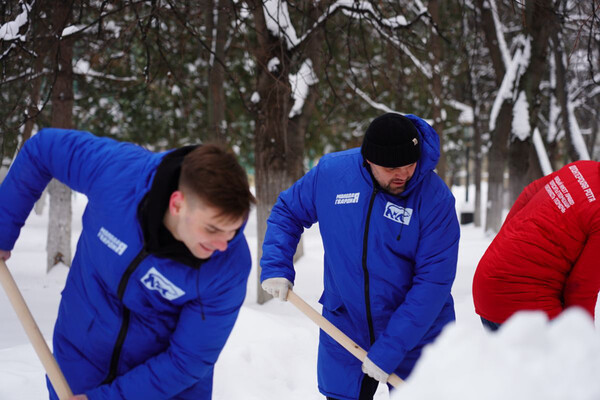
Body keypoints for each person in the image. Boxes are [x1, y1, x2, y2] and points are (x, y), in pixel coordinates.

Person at [0, 128, 255, 399]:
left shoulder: (228, 267)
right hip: (81, 356)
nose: (223, 245)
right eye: (213, 229)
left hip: (163, 388)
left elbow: (186, 362)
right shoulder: (117, 174)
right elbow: (43, 150)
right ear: (177, 204)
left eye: (232, 231)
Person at [260, 113, 460, 400]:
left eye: (410, 164)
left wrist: (390, 349)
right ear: (369, 160)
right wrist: (276, 265)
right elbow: (287, 212)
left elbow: (433, 283)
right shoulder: (332, 174)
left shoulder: (435, 199)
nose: (403, 174)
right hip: (345, 327)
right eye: (391, 167)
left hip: (416, 333)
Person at [473, 161, 600, 331]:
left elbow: (529, 193)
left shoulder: (582, 168)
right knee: (569, 345)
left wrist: (503, 248)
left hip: (487, 282)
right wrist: (583, 339)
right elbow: (580, 291)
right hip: (524, 305)